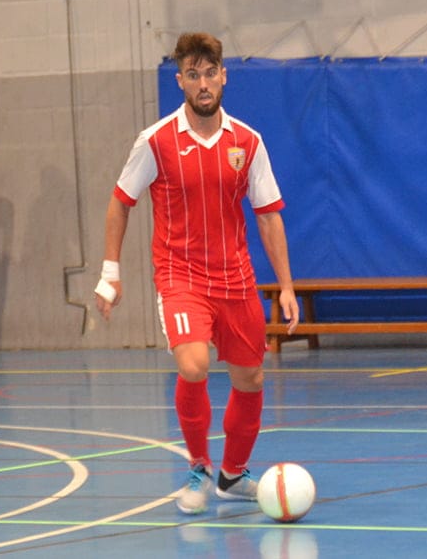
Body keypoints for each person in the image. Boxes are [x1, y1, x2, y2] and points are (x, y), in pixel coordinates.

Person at [95, 32, 299, 515]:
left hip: (236, 278)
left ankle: (231, 475)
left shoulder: (248, 142)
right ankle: (199, 467)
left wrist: (286, 285)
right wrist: (110, 272)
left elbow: (269, 214)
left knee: (250, 378)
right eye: (193, 74)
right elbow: (120, 203)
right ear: (181, 80)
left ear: (223, 76)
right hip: (180, 275)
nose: (203, 83)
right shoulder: (157, 141)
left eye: (211, 73)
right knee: (193, 365)